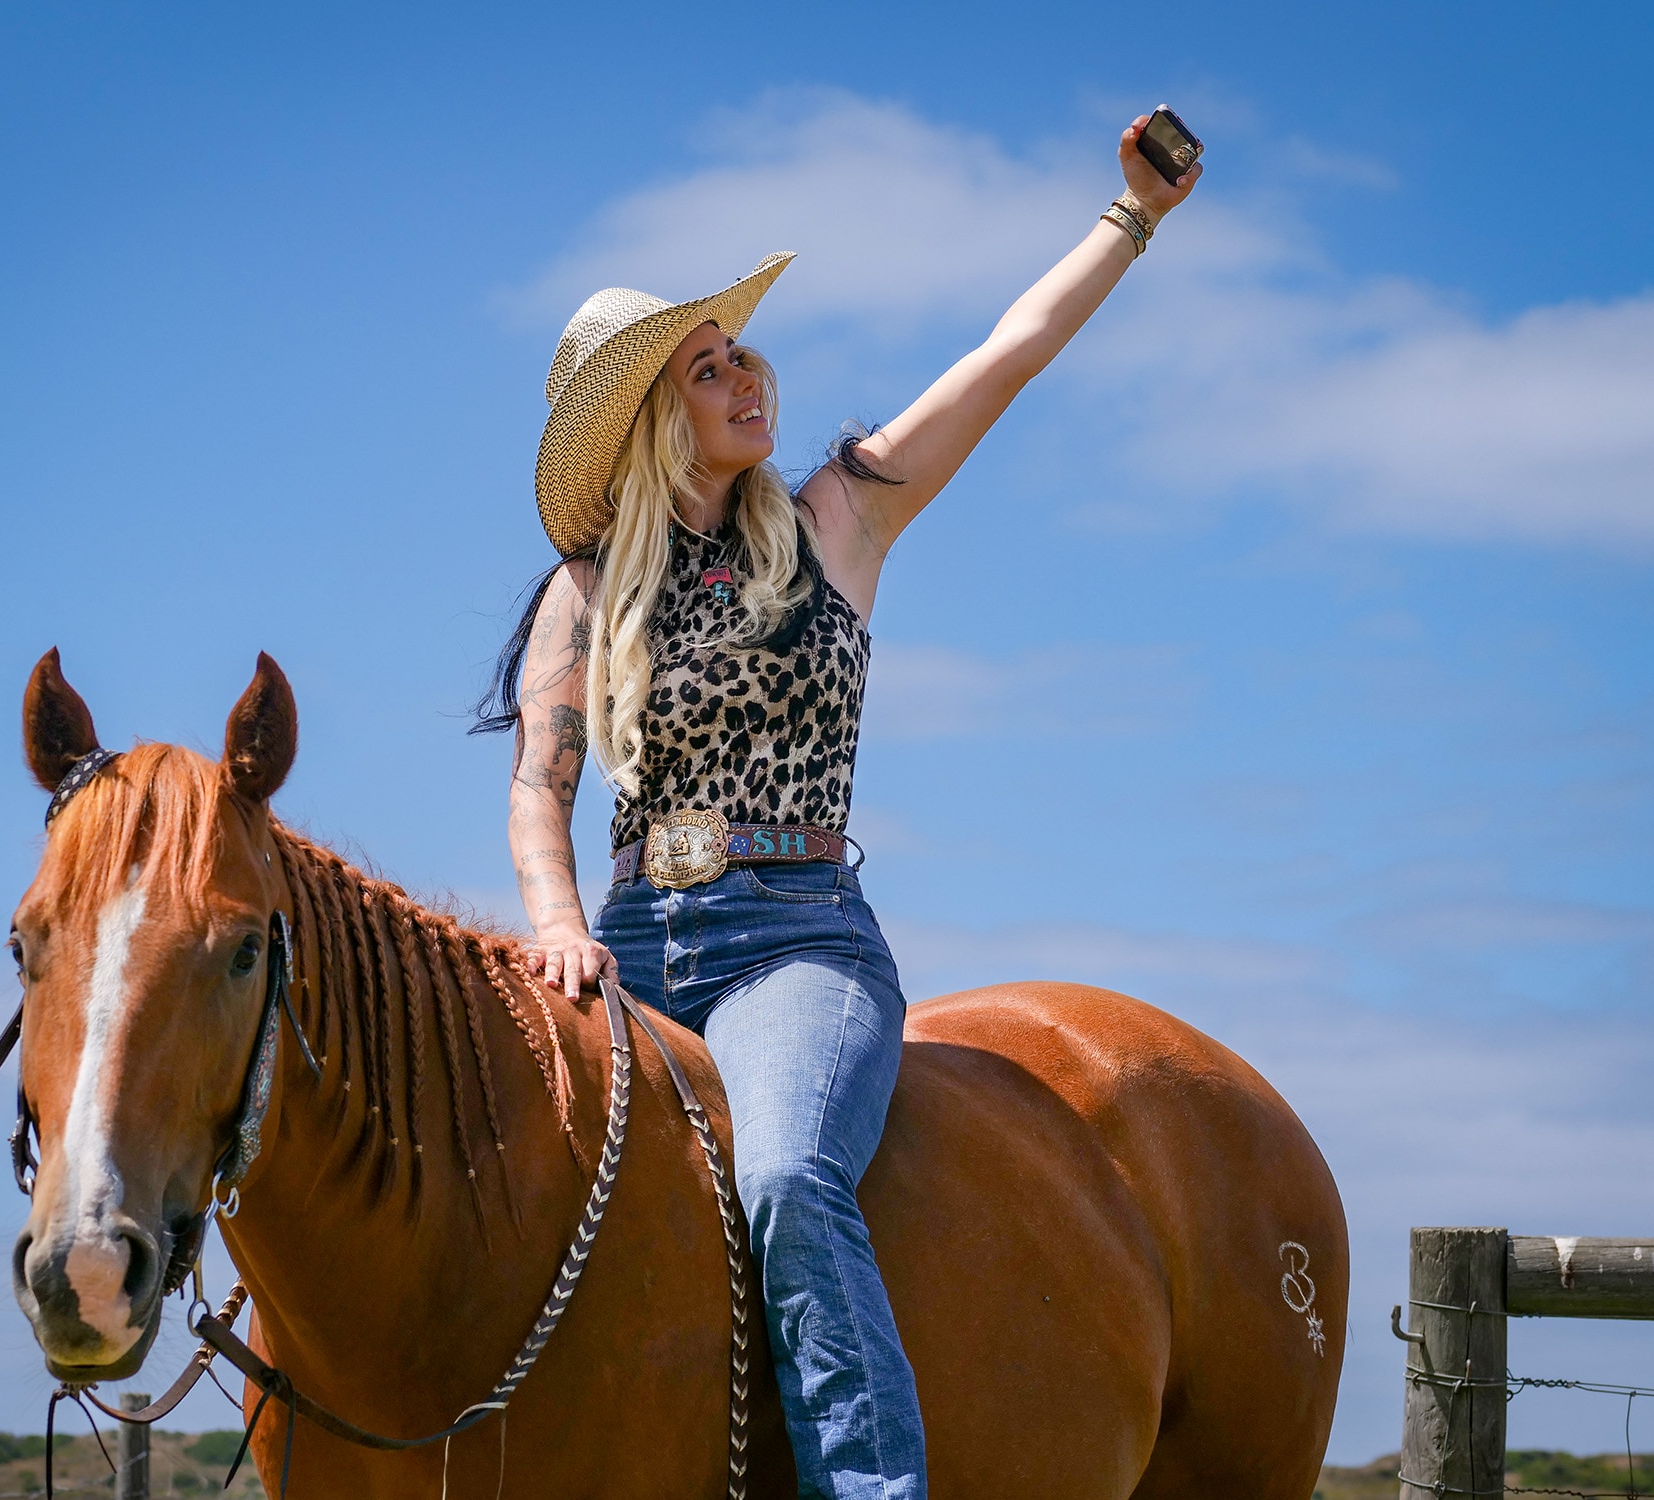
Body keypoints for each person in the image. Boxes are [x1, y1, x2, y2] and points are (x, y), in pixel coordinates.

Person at [474, 115, 1200, 1500]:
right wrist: (559, 924)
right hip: (626, 945)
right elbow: (539, 789)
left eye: (740, 350)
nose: (746, 372)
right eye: (708, 368)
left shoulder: (834, 523)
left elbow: (1007, 356)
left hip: (796, 940)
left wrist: (1131, 220)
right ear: (650, 421)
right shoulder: (583, 594)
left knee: (790, 1183)